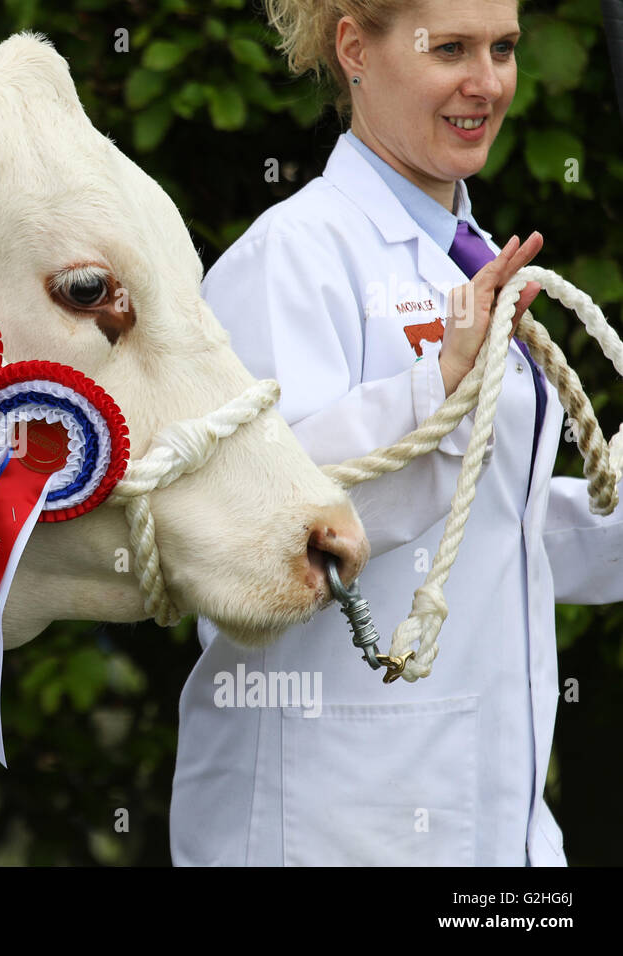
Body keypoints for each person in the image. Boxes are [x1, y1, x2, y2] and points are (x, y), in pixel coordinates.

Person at [170, 0, 623, 865]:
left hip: (500, 837)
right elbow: (259, 529)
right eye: (449, 49)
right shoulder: (289, 258)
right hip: (327, 832)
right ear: (356, 50)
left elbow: (503, 535)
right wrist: (434, 387)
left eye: (503, 48)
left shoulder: (472, 253)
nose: (485, 84)